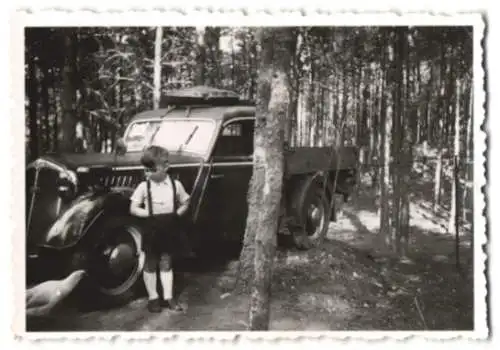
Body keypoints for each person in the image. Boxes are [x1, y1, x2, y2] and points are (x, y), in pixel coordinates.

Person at [129, 145, 191, 313]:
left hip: (169, 228)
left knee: (166, 262)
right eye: (145, 170)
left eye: (151, 169)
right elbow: (133, 208)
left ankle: (169, 297)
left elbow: (186, 201)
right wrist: (148, 213)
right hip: (152, 228)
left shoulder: (175, 185)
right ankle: (153, 298)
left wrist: (177, 214)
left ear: (165, 167)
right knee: (150, 263)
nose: (147, 173)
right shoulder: (144, 187)